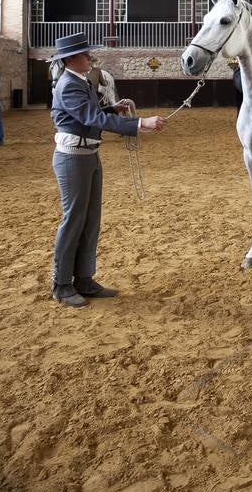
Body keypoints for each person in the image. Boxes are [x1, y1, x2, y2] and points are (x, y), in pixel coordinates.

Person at [50, 32, 167, 308]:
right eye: (84, 54)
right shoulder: (68, 85)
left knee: (90, 219)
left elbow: (95, 111)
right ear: (69, 59)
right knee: (73, 220)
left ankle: (84, 278)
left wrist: (113, 107)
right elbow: (93, 118)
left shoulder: (82, 82)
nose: (90, 56)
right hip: (73, 158)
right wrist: (141, 123)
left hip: (88, 155)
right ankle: (62, 283)